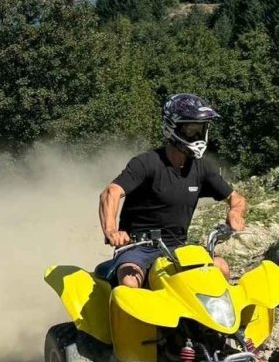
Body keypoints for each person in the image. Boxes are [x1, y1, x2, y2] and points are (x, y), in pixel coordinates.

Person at [98, 93, 247, 286]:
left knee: (221, 267)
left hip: (178, 248)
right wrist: (111, 231)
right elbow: (111, 192)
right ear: (172, 128)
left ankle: (217, 317)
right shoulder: (147, 163)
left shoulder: (202, 168)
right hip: (138, 247)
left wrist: (236, 213)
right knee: (129, 279)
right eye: (191, 130)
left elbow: (237, 199)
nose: (198, 136)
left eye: (201, 129)